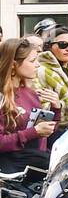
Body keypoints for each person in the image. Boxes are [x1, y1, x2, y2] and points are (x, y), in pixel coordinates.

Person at [0, 38, 61, 174]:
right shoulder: (2, 96)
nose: (38, 65)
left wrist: (55, 110)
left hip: (35, 166)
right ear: (13, 64)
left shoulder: (29, 92)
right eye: (32, 61)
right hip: (13, 175)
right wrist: (32, 132)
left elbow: (44, 134)